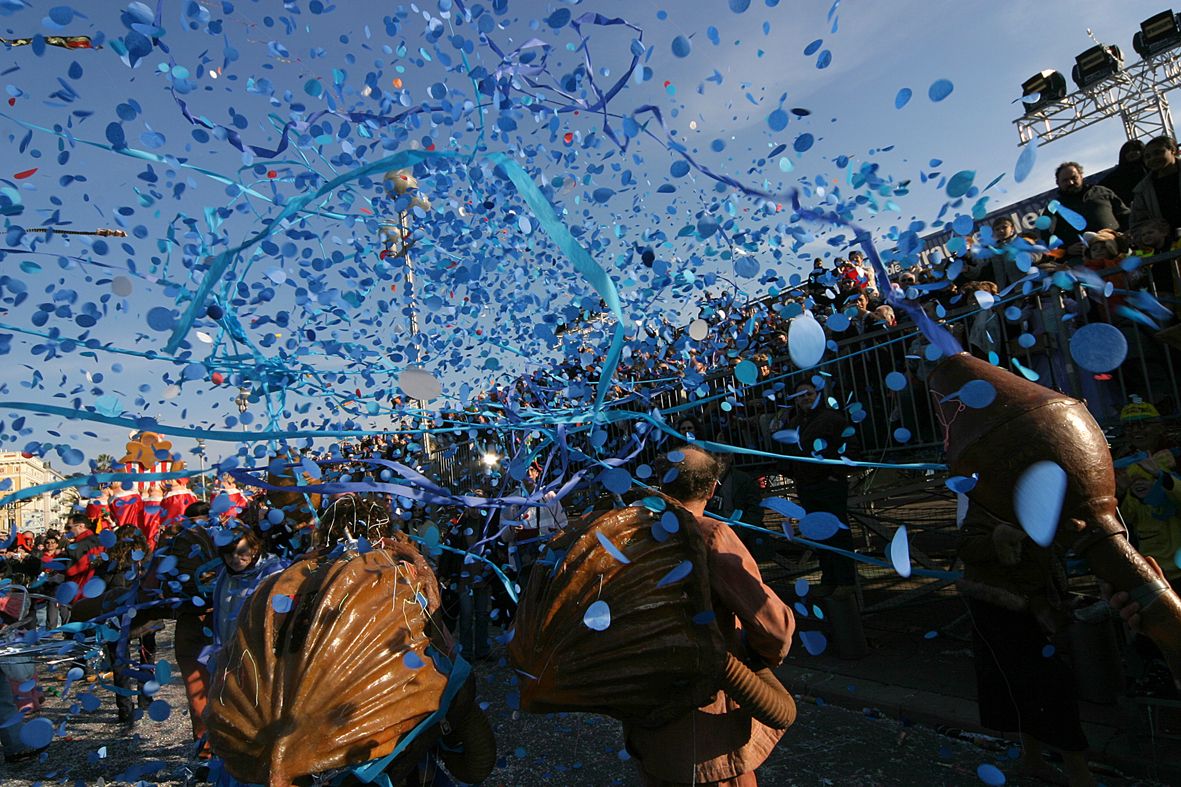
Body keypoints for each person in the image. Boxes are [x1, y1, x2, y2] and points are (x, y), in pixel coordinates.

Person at [625, 446, 793, 787]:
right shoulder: (711, 535)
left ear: (661, 481)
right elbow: (772, 627)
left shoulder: (631, 535)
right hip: (706, 730)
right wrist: (760, 657)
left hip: (647, 718)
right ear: (713, 487)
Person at [957, 501, 1097, 785]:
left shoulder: (1033, 494)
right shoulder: (984, 498)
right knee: (1048, 685)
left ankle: (1034, 759)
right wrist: (999, 539)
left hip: (1038, 603)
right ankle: (1076, 771)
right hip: (1000, 608)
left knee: (1035, 686)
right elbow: (967, 546)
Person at [783, 381, 859, 595]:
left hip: (829, 484)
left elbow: (850, 448)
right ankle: (829, 579)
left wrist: (835, 475)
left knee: (838, 532)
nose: (805, 398)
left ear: (817, 394)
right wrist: (793, 473)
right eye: (800, 396)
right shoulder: (794, 423)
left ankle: (846, 581)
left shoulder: (833, 419)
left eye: (808, 394)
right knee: (818, 533)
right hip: (806, 485)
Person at [209, 524, 287, 659]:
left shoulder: (274, 574)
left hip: (257, 658)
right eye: (229, 553)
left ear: (254, 549)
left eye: (241, 552)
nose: (235, 559)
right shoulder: (224, 575)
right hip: (228, 655)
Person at [1039, 161, 1130, 261]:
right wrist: (1066, 249)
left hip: (1119, 253)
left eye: (1074, 178)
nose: (1070, 183)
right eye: (1065, 180)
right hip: (1084, 264)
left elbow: (1125, 215)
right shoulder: (1054, 207)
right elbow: (1045, 236)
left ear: (1081, 176)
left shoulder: (1102, 192)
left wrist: (1126, 234)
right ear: (1057, 183)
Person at [1131, 136, 1181, 236]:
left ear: (1173, 151)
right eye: (1147, 157)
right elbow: (1137, 224)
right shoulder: (1142, 191)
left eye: (1158, 153)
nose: (1153, 159)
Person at [62, 513, 104, 603]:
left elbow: (71, 570)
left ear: (81, 526)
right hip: (97, 588)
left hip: (80, 591)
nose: (68, 531)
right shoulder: (99, 541)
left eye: (69, 527)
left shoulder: (80, 545)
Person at [1102, 139, 1147, 208]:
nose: (1131, 153)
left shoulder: (1152, 169)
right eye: (1127, 151)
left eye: (1135, 150)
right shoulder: (1116, 176)